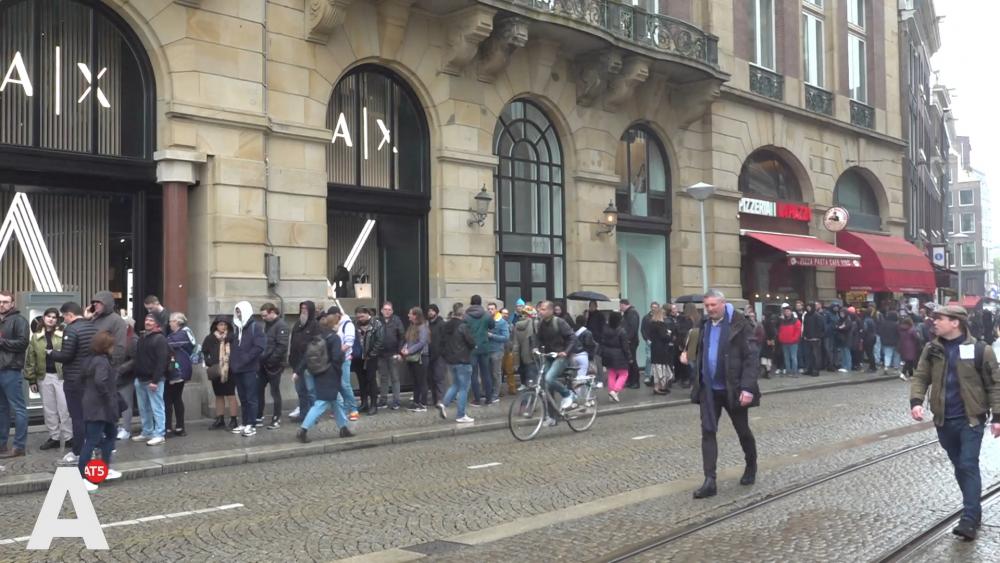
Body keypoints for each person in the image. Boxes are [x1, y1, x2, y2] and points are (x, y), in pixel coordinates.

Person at [910, 305, 1000, 540]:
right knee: (960, 465)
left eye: (939, 319)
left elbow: (995, 384)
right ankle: (974, 510)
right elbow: (921, 376)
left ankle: (969, 518)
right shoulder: (932, 349)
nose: (934, 323)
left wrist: (998, 417)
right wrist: (916, 401)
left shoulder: (981, 350)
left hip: (971, 419)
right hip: (943, 419)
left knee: (968, 464)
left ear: (955, 322)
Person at [691, 289, 759, 499]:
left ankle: (751, 464)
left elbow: (751, 358)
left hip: (734, 388)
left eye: (713, 305)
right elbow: (699, 351)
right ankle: (709, 480)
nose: (710, 309)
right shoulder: (704, 325)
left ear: (723, 303)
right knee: (708, 432)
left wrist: (747, 388)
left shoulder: (740, 324)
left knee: (742, 430)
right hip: (709, 390)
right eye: (707, 306)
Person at [296, 313, 353, 443]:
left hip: (319, 373)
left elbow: (307, 356)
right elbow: (337, 357)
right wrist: (337, 371)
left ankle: (343, 428)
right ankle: (303, 429)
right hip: (331, 375)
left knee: (336, 401)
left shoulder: (319, 337)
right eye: (338, 323)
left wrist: (298, 371)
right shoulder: (335, 338)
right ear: (334, 324)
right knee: (321, 403)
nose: (339, 325)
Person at [78, 331, 123, 492]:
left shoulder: (91, 359)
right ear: (106, 346)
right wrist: (108, 398)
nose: (114, 348)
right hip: (100, 407)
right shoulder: (101, 362)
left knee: (110, 435)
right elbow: (100, 382)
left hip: (97, 405)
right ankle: (82, 476)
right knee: (91, 441)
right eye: (112, 345)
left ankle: (104, 467)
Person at [24, 308, 72, 450]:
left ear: (57, 319)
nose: (51, 319)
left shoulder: (63, 333)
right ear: (43, 318)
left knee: (65, 408)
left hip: (61, 376)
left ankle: (69, 437)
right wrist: (31, 379)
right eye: (48, 316)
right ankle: (54, 437)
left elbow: (68, 353)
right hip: (44, 376)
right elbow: (30, 358)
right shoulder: (36, 336)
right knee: (49, 409)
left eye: (54, 317)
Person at [88, 291, 129, 438]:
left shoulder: (116, 321)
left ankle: (111, 432)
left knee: (108, 400)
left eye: (98, 302)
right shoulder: (94, 319)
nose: (95, 305)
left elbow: (120, 346)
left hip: (108, 366)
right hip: (94, 367)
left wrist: (113, 367)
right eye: (94, 302)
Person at [131, 314, 170, 446]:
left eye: (151, 320)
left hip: (153, 380)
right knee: (144, 408)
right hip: (141, 379)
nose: (147, 322)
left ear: (157, 324)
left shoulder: (160, 339)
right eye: (146, 319)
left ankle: (159, 434)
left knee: (157, 408)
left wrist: (155, 380)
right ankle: (147, 431)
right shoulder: (142, 338)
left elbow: (162, 361)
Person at [0, 290, 30, 459]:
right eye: (0, 301)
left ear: (12, 303)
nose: (1, 304)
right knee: (1, 410)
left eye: (5, 302)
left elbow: (23, 343)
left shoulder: (19, 320)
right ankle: (2, 444)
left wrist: (2, 342)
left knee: (19, 409)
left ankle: (19, 446)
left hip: (11, 370)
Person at [534, 301, 578, 412]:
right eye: (540, 309)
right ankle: (552, 416)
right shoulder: (541, 323)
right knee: (546, 385)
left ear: (550, 311)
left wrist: (565, 352)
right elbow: (538, 338)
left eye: (543, 309)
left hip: (561, 357)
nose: (540, 311)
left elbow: (572, 338)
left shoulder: (560, 322)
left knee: (549, 379)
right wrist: (535, 348)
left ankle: (567, 394)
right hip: (549, 356)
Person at [436, 303, 477, 423]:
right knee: (464, 388)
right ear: (462, 314)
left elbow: (441, 342)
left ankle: (444, 404)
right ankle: (461, 414)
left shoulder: (446, 325)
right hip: (463, 360)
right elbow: (471, 342)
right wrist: (474, 345)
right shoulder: (463, 326)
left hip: (450, 361)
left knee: (455, 385)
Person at [230, 301, 266, 437]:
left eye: (240, 312)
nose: (238, 314)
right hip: (238, 368)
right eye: (236, 312)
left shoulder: (255, 327)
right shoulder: (237, 329)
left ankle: (251, 424)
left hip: (249, 368)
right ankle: (245, 422)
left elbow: (259, 346)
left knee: (251, 397)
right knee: (243, 397)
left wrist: (246, 358)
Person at [257, 303, 290, 429]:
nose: (263, 318)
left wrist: (270, 361)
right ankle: (259, 416)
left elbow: (281, 347)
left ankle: (276, 418)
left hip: (274, 365)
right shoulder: (267, 325)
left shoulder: (281, 325)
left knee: (275, 392)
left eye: (265, 315)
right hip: (264, 363)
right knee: (258, 390)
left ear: (272, 312)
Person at [203, 317, 238, 430]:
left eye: (225, 324)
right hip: (216, 370)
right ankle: (220, 419)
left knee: (231, 394)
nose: (223, 327)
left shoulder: (232, 337)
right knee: (218, 395)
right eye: (220, 324)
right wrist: (209, 362)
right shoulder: (210, 338)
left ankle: (233, 420)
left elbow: (237, 352)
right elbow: (204, 352)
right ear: (216, 326)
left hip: (230, 370)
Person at [165, 313, 196, 437]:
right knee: (176, 398)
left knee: (169, 399)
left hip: (177, 369)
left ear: (178, 322)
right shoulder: (185, 332)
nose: (169, 323)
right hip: (181, 368)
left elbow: (167, 346)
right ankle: (179, 427)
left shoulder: (181, 334)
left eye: (171, 321)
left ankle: (169, 428)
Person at [325, 306, 358, 422]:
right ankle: (343, 409)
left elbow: (348, 343)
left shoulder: (347, 325)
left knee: (345, 384)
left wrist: (336, 352)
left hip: (344, 359)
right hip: (336, 359)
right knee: (338, 384)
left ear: (337, 315)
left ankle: (353, 409)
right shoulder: (336, 325)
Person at [289, 301, 321, 421]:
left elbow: (315, 346)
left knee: (311, 391)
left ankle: (313, 416)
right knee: (301, 391)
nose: (303, 310)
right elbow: (293, 342)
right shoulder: (298, 324)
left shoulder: (315, 325)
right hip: (297, 363)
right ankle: (303, 414)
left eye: (306, 309)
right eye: (302, 308)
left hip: (309, 364)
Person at [465, 295, 494, 407]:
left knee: (474, 374)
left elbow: (463, 329)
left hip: (472, 348)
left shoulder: (466, 316)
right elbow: (492, 325)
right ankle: (489, 398)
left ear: (471, 303)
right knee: (486, 373)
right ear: (481, 303)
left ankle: (477, 399)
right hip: (484, 347)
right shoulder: (486, 314)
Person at [353, 307, 383, 416]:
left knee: (371, 380)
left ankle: (373, 405)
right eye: (358, 317)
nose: (360, 319)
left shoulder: (376, 324)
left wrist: (371, 354)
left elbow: (380, 341)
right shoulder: (355, 325)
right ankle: (364, 403)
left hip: (371, 357)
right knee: (361, 381)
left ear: (367, 314)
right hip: (358, 357)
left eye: (362, 316)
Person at [400, 307, 431, 411]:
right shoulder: (412, 326)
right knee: (415, 381)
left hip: (421, 358)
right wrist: (405, 347)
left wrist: (409, 350)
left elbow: (422, 343)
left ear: (415, 315)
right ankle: (416, 402)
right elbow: (409, 340)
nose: (408, 315)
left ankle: (423, 404)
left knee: (421, 381)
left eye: (410, 314)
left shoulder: (423, 327)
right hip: (412, 358)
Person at [377, 301, 405, 410]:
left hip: (393, 353)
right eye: (385, 309)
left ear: (392, 311)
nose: (387, 311)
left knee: (395, 378)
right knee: (383, 378)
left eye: (389, 309)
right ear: (381, 310)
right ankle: (383, 400)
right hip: (381, 354)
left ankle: (396, 401)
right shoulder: (377, 321)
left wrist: (399, 352)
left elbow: (402, 336)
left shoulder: (396, 320)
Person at [600, 312, 631, 402]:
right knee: (624, 373)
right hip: (619, 354)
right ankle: (615, 391)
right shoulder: (622, 331)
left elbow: (603, 341)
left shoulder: (605, 329)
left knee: (612, 373)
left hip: (607, 353)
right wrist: (629, 357)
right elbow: (625, 347)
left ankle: (611, 394)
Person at [648, 307, 675, 395]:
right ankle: (660, 387)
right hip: (661, 349)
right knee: (662, 368)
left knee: (656, 369)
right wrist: (669, 335)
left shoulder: (651, 324)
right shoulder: (661, 325)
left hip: (654, 348)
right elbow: (664, 337)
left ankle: (658, 387)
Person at [487, 303, 510, 403]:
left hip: (497, 351)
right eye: (488, 309)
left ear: (496, 310)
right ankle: (488, 392)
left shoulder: (502, 322)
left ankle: (495, 395)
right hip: (487, 351)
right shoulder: (486, 321)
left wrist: (492, 336)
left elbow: (506, 337)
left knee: (496, 373)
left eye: (492, 309)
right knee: (488, 373)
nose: (490, 311)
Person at [511, 305, 538, 388]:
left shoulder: (517, 325)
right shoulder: (534, 323)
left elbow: (515, 345)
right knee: (533, 378)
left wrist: (516, 362)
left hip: (522, 356)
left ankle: (525, 388)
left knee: (525, 374)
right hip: (533, 355)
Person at [426, 304, 447, 407]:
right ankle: (434, 398)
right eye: (429, 311)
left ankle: (440, 399)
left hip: (439, 355)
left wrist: (441, 352)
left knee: (439, 378)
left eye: (432, 311)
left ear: (436, 312)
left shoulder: (441, 324)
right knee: (431, 378)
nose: (430, 312)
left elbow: (444, 340)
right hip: (429, 354)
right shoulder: (428, 324)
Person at [620, 299, 641, 389]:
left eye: (620, 305)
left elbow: (633, 328)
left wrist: (628, 339)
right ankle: (630, 380)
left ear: (624, 305)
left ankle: (635, 381)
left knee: (632, 361)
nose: (620, 308)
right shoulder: (627, 314)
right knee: (629, 361)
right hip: (628, 341)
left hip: (631, 341)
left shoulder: (632, 313)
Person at [776, 305, 802, 376]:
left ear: (791, 312)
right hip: (784, 342)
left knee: (793, 357)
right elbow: (780, 331)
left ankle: (795, 372)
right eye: (785, 311)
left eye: (788, 311)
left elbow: (798, 332)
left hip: (793, 342)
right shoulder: (782, 321)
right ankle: (788, 371)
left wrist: (794, 339)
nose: (786, 312)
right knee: (786, 358)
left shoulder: (796, 321)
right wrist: (780, 338)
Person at [640, 302, 661, 386]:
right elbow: (643, 329)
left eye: (655, 307)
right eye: (652, 307)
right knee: (649, 358)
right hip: (650, 341)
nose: (654, 308)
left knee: (657, 359)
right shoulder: (646, 318)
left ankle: (655, 375)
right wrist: (646, 339)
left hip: (658, 341)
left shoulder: (660, 317)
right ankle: (647, 375)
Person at [801, 303, 824, 376]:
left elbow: (821, 327)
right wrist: (804, 335)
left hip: (815, 338)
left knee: (816, 355)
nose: (808, 308)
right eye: (807, 307)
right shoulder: (807, 315)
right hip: (808, 338)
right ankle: (809, 369)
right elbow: (805, 326)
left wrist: (818, 336)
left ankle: (816, 370)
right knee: (808, 355)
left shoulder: (817, 316)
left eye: (809, 307)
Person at [897, 316, 922, 381]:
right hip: (911, 347)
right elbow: (917, 338)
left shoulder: (901, 329)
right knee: (909, 361)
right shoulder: (912, 330)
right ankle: (903, 373)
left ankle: (911, 375)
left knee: (909, 361)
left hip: (904, 346)